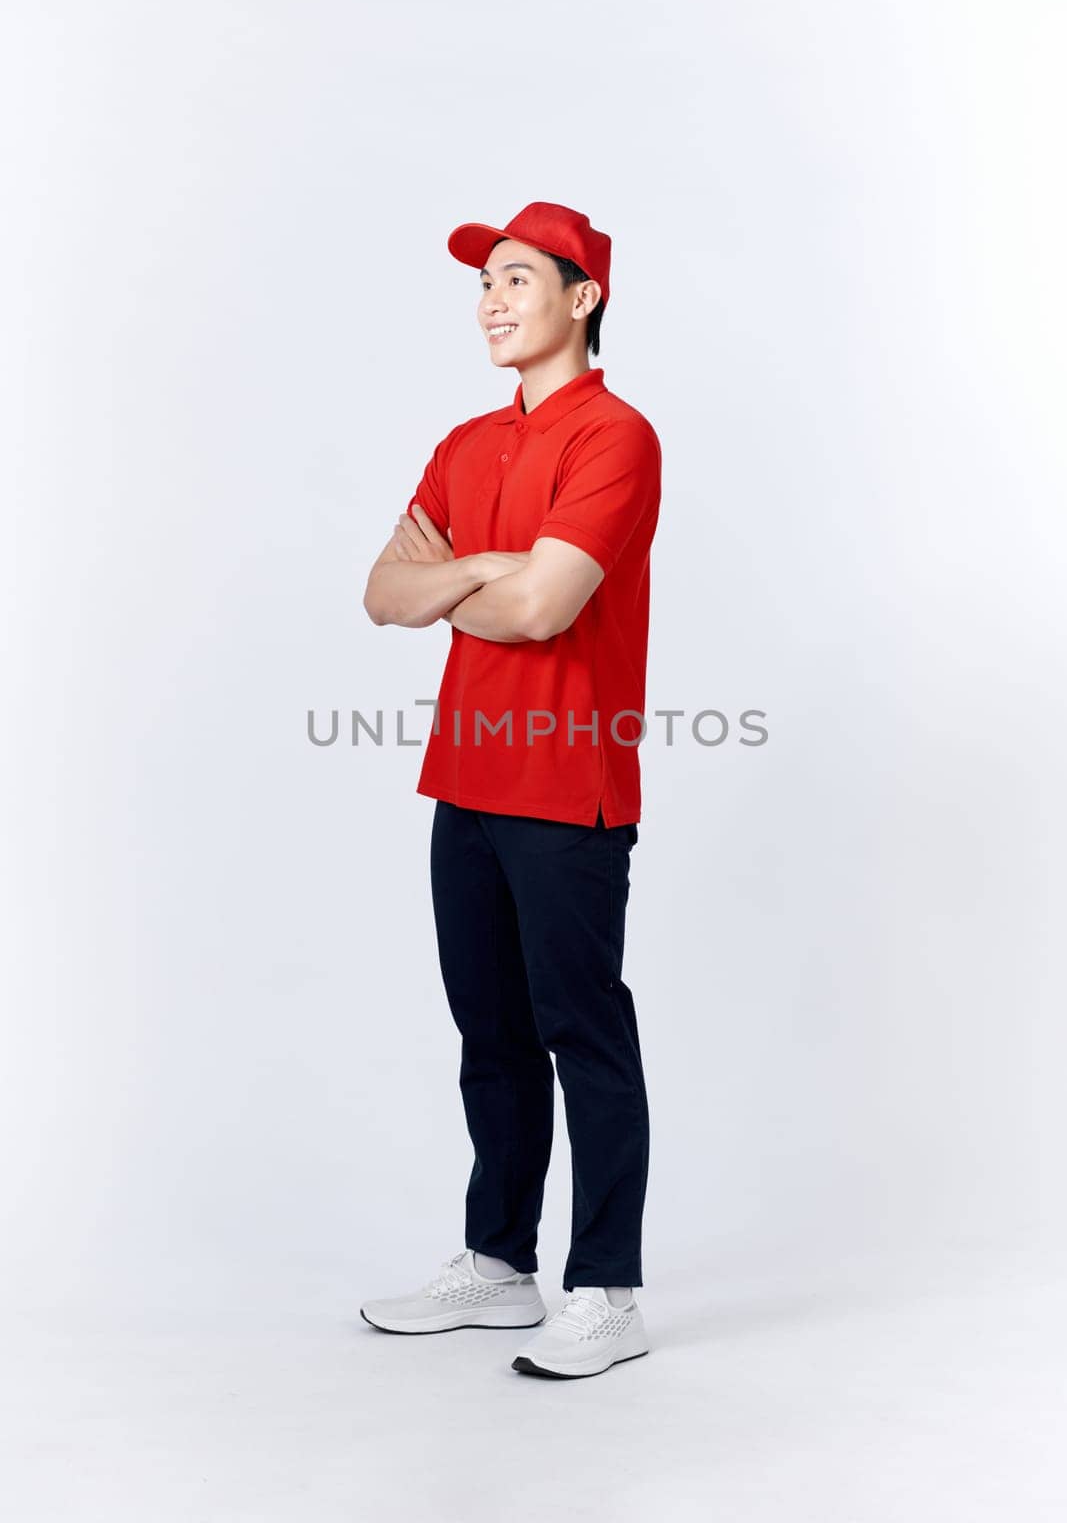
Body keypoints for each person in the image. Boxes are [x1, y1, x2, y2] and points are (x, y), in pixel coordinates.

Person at [359, 202, 661, 1380]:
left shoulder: (612, 437)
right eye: (482, 282)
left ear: (581, 298)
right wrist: (493, 570)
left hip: (568, 783)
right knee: (488, 1033)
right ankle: (498, 1267)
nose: (490, 299)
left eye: (517, 278)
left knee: (581, 1032)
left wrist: (465, 575)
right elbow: (382, 592)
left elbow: (544, 608)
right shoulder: (464, 441)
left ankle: (608, 1288)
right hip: (466, 777)